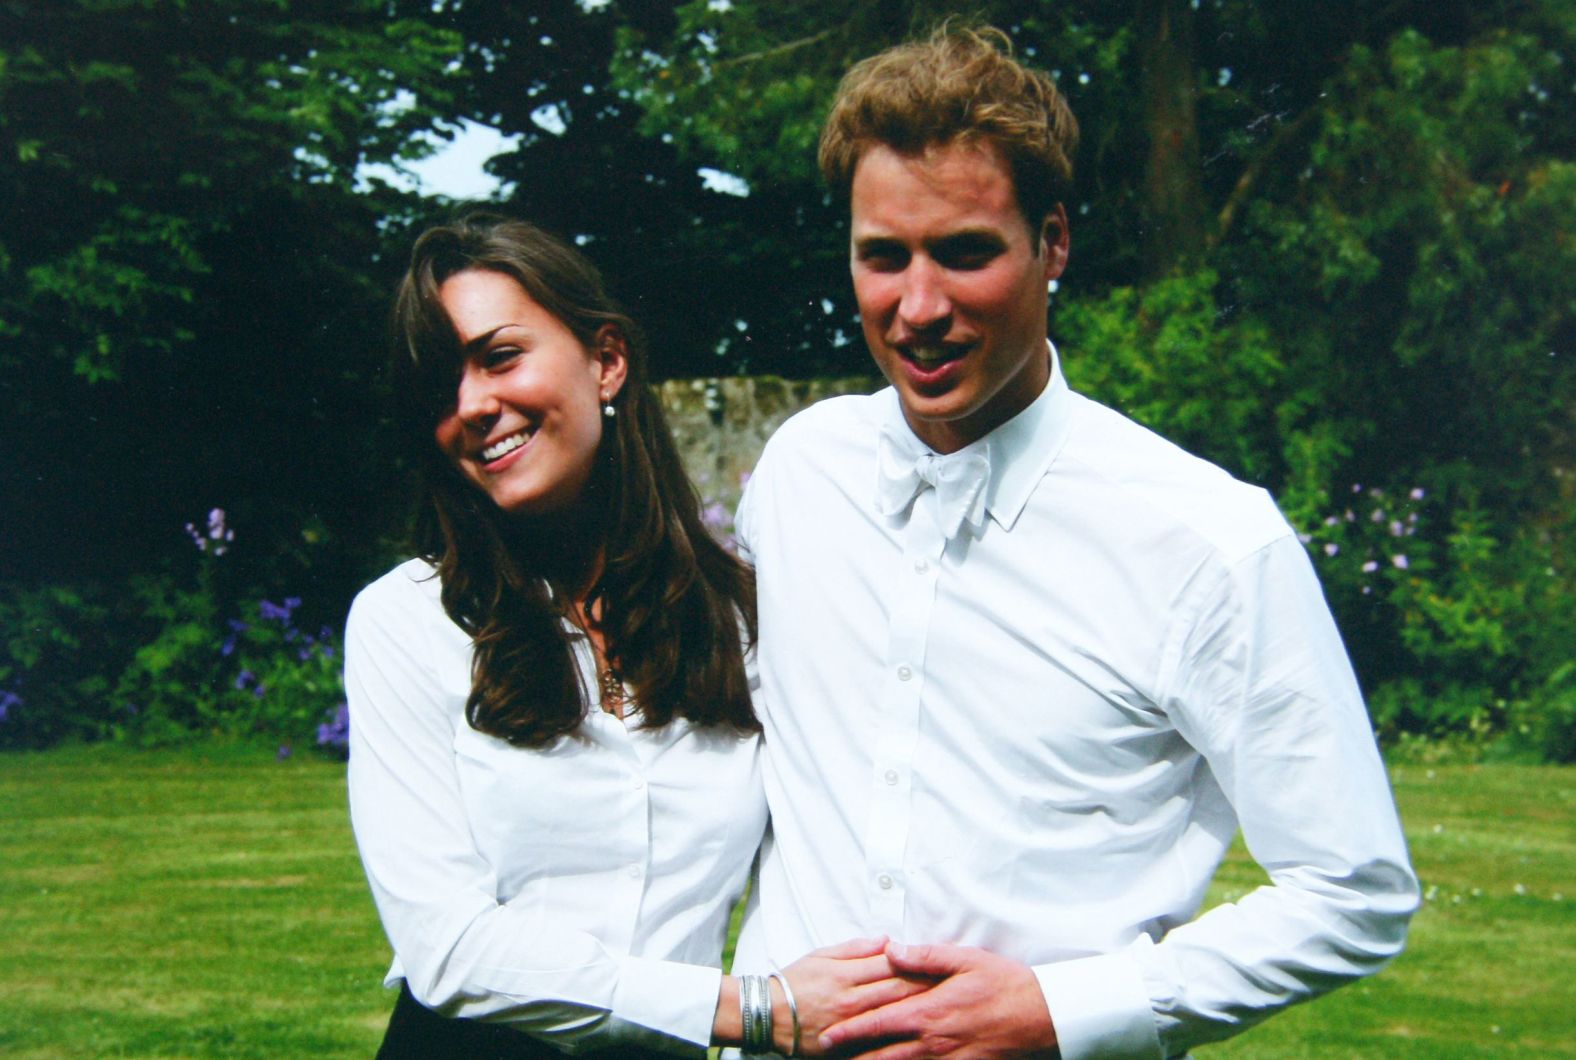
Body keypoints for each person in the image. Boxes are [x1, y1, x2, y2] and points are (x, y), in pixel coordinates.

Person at [732, 26, 1420, 1060]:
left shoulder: (1206, 540)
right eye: (884, 257)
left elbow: (1354, 888)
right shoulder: (799, 472)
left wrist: (1062, 1011)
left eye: (965, 251)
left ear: (1052, 242)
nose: (917, 307)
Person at [344, 215, 917, 1058]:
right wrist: (745, 1010)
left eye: (499, 357)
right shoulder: (407, 622)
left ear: (606, 360)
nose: (471, 405)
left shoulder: (741, 621)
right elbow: (448, 947)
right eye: (440, 386)